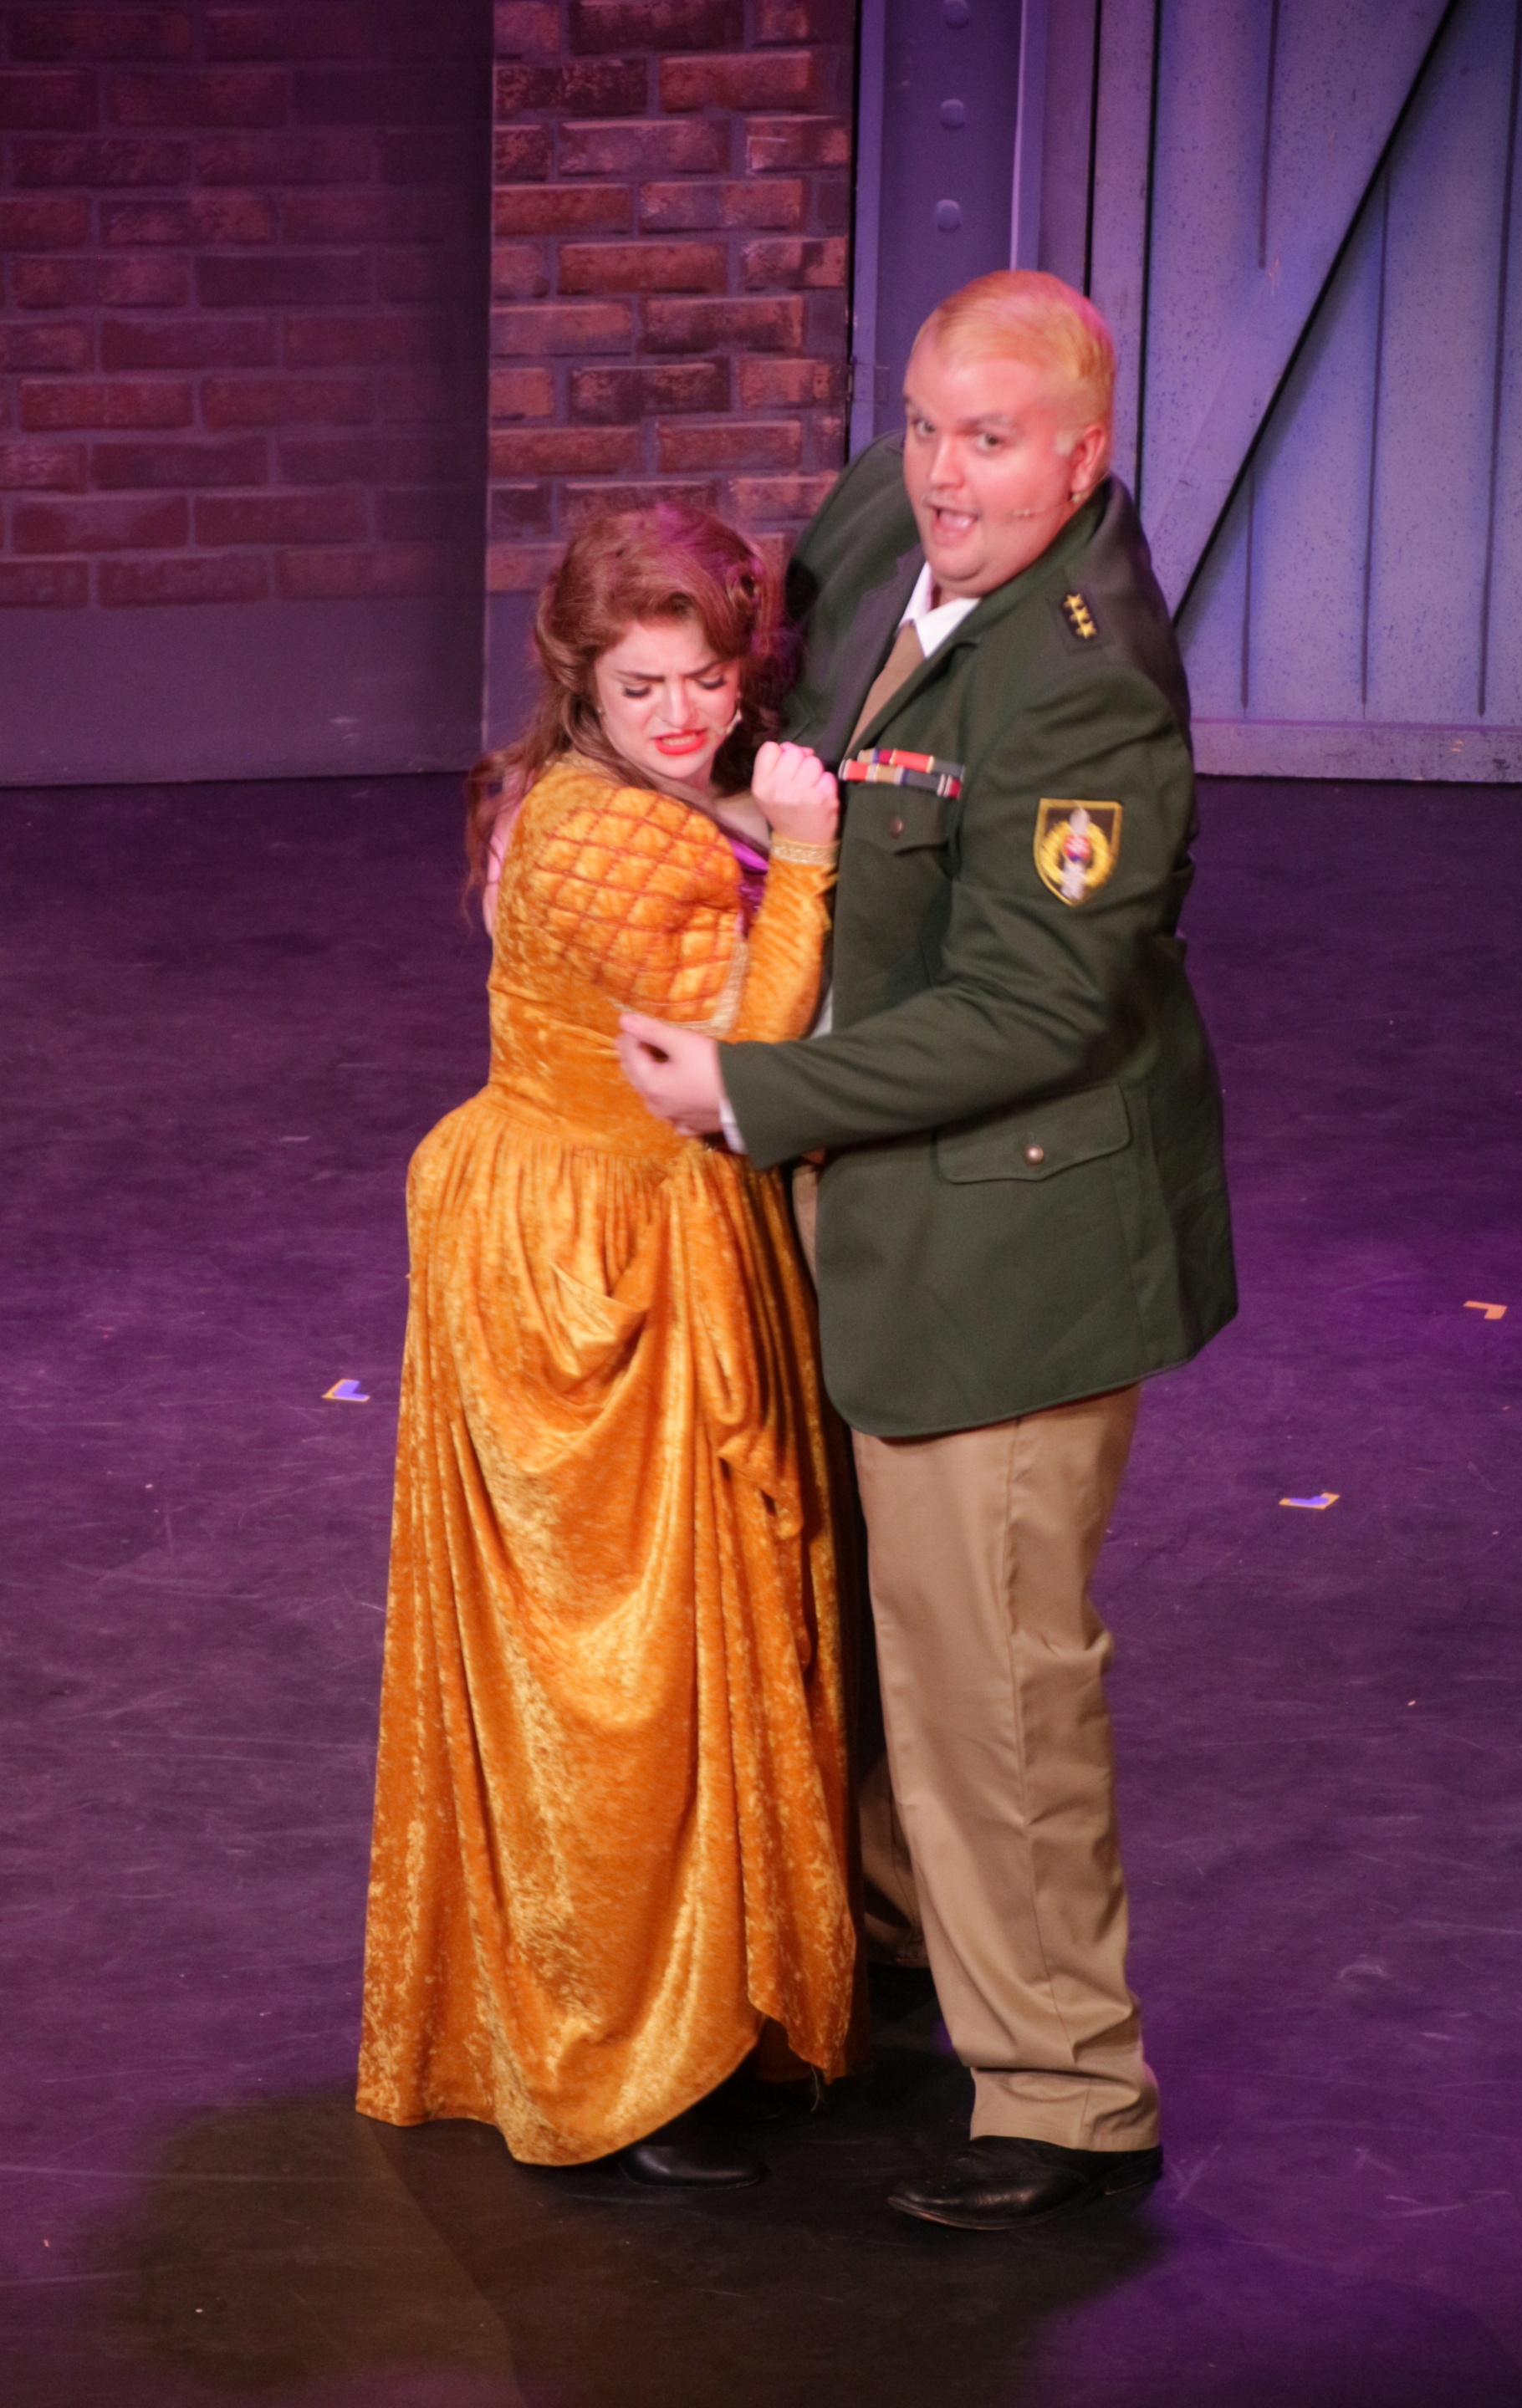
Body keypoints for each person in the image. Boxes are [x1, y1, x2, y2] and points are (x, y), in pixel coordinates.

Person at [618, 271, 1237, 2230]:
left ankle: (1066, 2095)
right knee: (878, 1634)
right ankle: (897, 1953)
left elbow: (1040, 1008)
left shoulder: (1084, 684)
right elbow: (758, 696)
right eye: (924, 423)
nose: (942, 473)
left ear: (1085, 455)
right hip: (882, 1201)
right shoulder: (899, 521)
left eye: (991, 441)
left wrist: (753, 1087)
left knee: (993, 1682)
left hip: (1009, 1242)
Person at [356, 505, 858, 2192]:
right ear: (582, 681)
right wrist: (807, 855)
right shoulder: (604, 843)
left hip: (580, 1215)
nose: (683, 715)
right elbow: (745, 1052)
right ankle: (635, 2044)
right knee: (621, 1663)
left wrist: (751, 810)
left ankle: (664, 2003)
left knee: (639, 1644)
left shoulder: (597, 791)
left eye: (706, 678)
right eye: (643, 687)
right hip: (595, 1255)